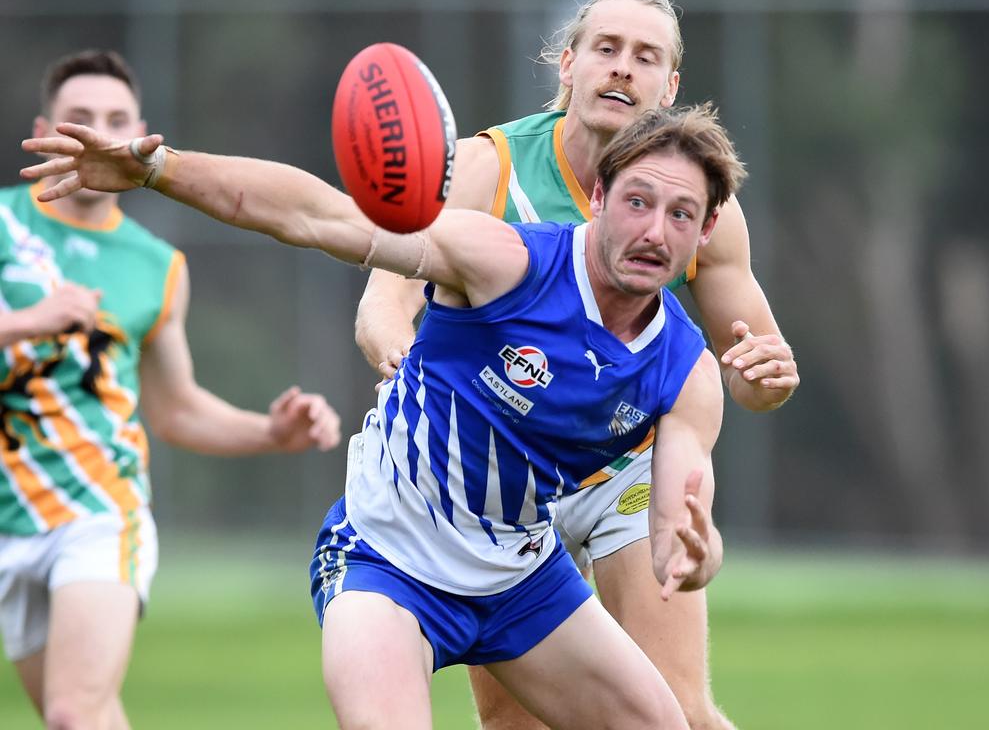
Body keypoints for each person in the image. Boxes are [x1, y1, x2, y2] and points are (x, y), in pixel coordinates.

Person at [22, 101, 745, 730]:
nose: (654, 230)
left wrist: (696, 551)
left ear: (706, 231)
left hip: (520, 578)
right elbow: (316, 215)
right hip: (386, 559)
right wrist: (158, 171)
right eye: (637, 201)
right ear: (596, 198)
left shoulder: (686, 371)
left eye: (680, 213)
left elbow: (679, 528)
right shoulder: (504, 262)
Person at [354, 0, 800, 730]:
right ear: (568, 64)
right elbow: (382, 301)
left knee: (677, 709)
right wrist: (400, 349)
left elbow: (754, 375)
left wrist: (769, 380)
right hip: (496, 478)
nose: (623, 68)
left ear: (671, 86)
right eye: (606, 49)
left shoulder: (697, 207)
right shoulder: (485, 167)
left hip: (619, 468)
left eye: (645, 56)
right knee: (516, 723)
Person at [1, 49, 341, 729]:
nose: (98, 131)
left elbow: (176, 409)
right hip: (12, 510)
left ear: (138, 134)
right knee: (86, 718)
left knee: (73, 712)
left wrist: (270, 432)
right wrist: (27, 322)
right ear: (44, 128)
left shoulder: (158, 266)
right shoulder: (5, 223)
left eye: (115, 119)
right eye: (80, 118)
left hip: (102, 511)